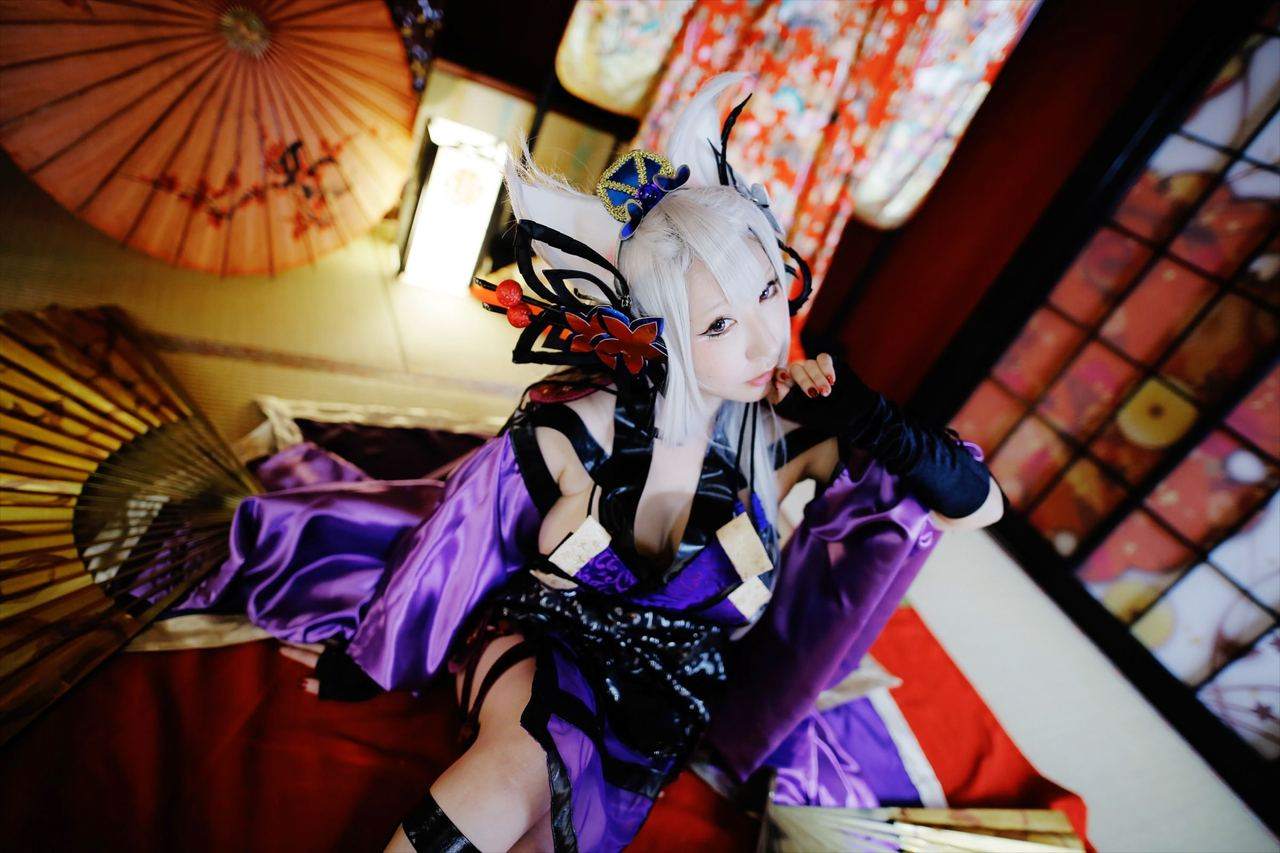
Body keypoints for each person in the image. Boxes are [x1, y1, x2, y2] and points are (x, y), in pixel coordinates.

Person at [179, 72, 1003, 852]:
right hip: (544, 639)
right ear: (655, 330)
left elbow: (978, 503)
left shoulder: (797, 441)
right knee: (523, 757)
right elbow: (459, 541)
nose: (764, 340)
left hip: (674, 691)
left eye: (765, 292)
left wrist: (869, 416)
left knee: (554, 825)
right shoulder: (575, 429)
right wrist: (373, 656)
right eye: (716, 325)